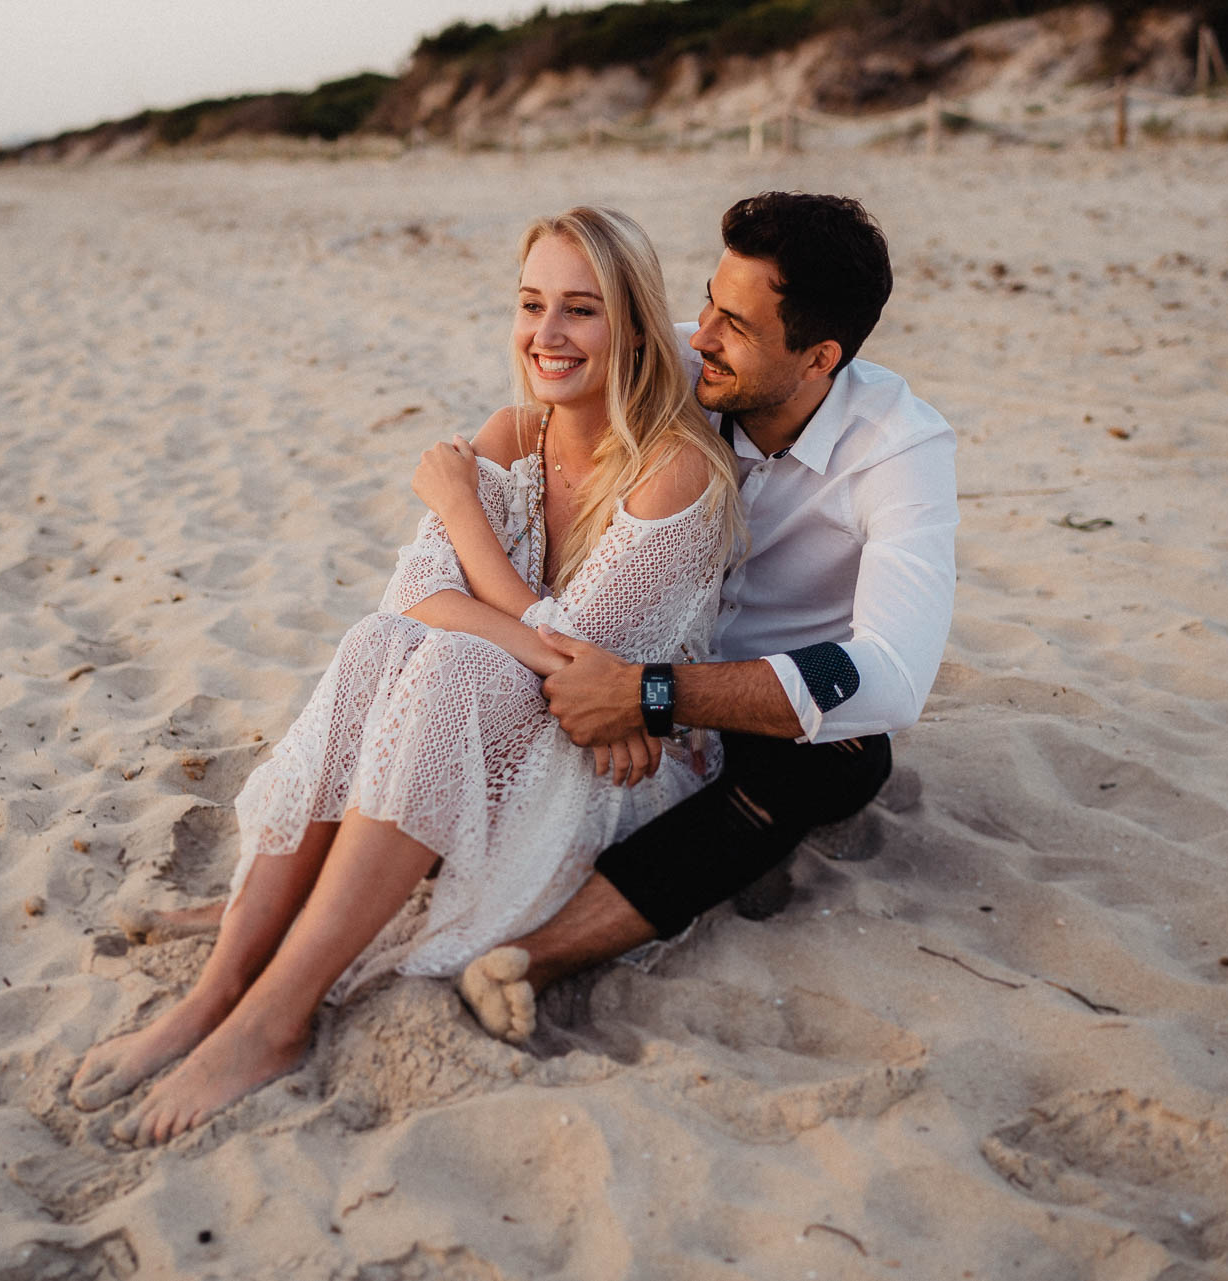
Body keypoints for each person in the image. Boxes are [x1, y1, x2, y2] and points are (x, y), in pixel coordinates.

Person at [68, 206, 743, 1144]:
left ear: (633, 327)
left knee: (455, 665)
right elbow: (415, 597)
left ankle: (274, 1019)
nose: (547, 335)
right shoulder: (514, 430)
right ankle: (219, 987)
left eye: (580, 310)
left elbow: (582, 673)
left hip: (626, 766)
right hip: (523, 714)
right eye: (531, 304)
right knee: (378, 646)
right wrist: (481, 600)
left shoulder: (674, 471)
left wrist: (464, 517)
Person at [456, 192, 959, 1044]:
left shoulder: (899, 449)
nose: (698, 338)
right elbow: (542, 431)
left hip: (743, 700)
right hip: (597, 649)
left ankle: (537, 955)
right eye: (706, 303)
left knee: (847, 760)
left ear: (819, 357)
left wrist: (651, 695)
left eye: (735, 326)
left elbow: (894, 674)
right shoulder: (681, 380)